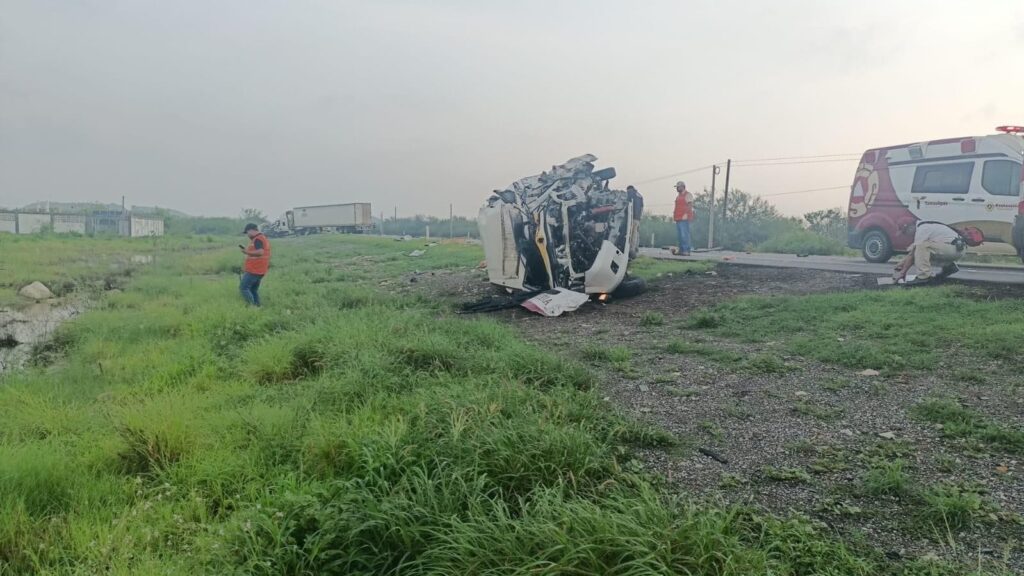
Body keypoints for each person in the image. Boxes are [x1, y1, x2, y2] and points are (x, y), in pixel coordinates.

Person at [892, 221, 984, 285]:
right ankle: (949, 266)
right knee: (923, 253)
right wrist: (900, 265)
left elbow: (914, 252)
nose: (906, 234)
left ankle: (924, 277)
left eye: (904, 232)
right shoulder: (927, 225)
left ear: (910, 227)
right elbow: (915, 254)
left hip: (952, 248)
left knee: (922, 247)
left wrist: (903, 272)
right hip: (958, 250)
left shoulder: (923, 228)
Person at [239, 223, 271, 306]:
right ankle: (257, 306)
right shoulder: (262, 238)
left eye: (247, 232)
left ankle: (251, 307)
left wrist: (246, 252)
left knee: (243, 288)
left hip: (254, 270)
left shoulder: (258, 239)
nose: (247, 235)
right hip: (260, 270)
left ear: (251, 230)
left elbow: (260, 252)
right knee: (253, 290)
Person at [672, 181, 695, 255]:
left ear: (683, 187)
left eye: (678, 187)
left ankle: (686, 250)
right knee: (680, 235)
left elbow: (690, 205)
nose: (677, 188)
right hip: (678, 218)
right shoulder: (678, 196)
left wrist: (686, 214)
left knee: (684, 234)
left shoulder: (688, 195)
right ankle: (681, 250)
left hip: (684, 218)